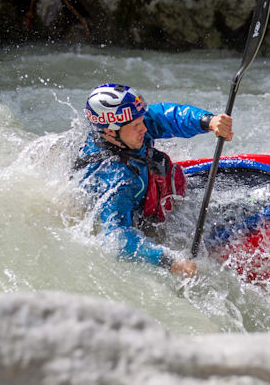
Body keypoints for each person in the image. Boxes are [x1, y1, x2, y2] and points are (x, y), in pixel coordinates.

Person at [74, 83, 233, 277]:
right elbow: (115, 238)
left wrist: (208, 121)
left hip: (146, 194)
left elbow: (168, 116)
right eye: (136, 126)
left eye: (141, 121)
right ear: (109, 131)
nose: (144, 127)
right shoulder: (115, 181)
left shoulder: (127, 126)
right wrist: (169, 260)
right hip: (137, 222)